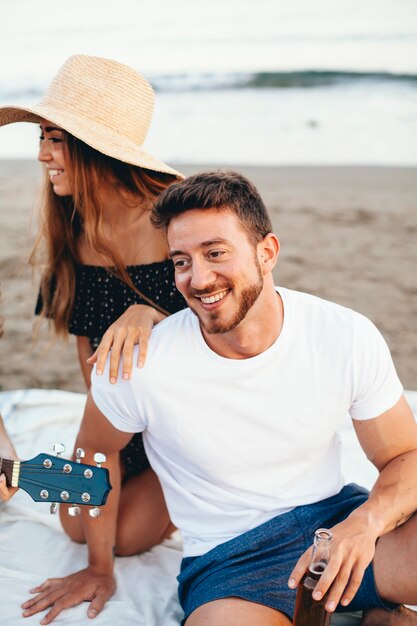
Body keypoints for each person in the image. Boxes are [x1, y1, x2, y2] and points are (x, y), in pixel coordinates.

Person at [19, 171, 417, 625]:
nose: (199, 278)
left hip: (337, 526)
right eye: (181, 261)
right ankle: (385, 612)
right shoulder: (142, 362)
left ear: (267, 253)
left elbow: (405, 455)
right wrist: (98, 567)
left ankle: (379, 605)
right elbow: (95, 451)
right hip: (229, 563)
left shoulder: (344, 335)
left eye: (215, 253)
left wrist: (365, 525)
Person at [0, 56, 187, 554]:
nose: (42, 155)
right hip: (120, 430)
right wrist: (102, 461)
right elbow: (95, 387)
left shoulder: (176, 221)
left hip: (185, 428)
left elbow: (226, 331)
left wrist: (151, 312)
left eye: (56, 139)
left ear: (96, 147)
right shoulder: (75, 233)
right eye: (41, 137)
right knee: (76, 526)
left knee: (123, 540)